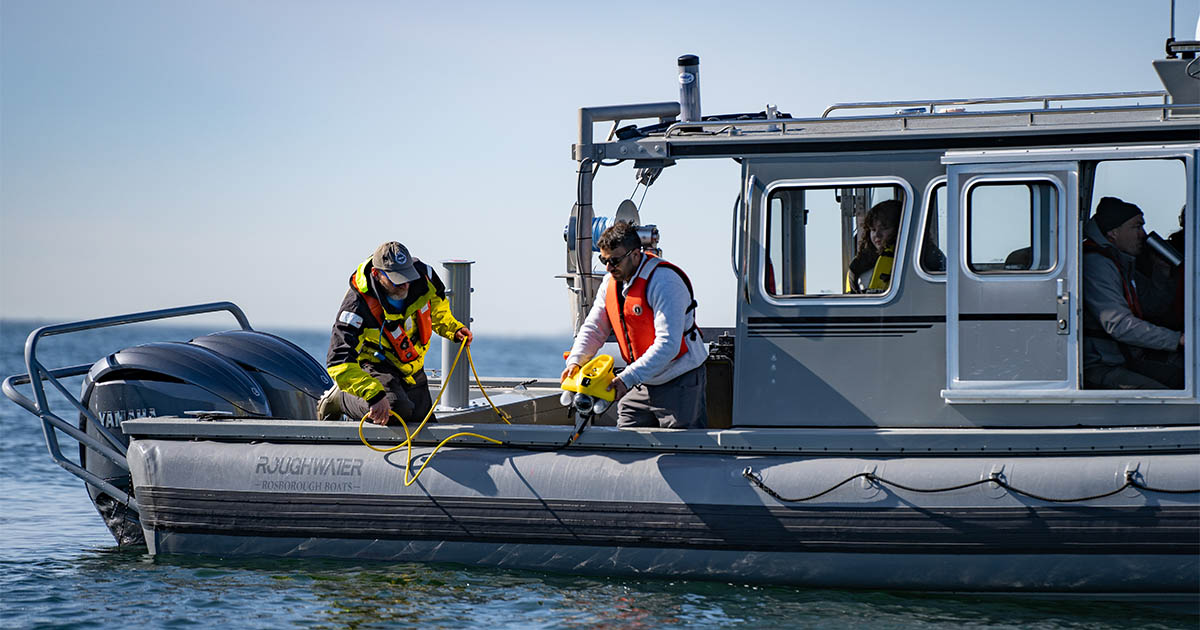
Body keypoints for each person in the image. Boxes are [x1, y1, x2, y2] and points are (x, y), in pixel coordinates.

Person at [561, 221, 708, 429]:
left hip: (678, 378)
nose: (609, 267)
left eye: (615, 260)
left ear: (636, 254)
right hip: (640, 381)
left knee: (683, 449)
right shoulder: (609, 283)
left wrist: (627, 378)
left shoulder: (665, 282)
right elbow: (594, 328)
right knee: (627, 432)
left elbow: (668, 344)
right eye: (604, 260)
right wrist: (575, 362)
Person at [318, 241, 471, 425]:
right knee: (394, 411)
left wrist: (453, 329)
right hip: (375, 366)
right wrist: (373, 395)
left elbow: (438, 310)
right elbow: (338, 361)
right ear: (376, 274)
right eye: (397, 279)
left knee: (426, 426)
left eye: (407, 277)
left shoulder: (425, 278)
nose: (405, 284)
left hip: (411, 365)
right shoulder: (356, 306)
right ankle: (342, 398)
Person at [1082, 197, 1184, 390]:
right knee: (1166, 398)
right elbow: (1119, 324)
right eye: (1137, 227)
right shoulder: (1098, 265)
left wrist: (1161, 272)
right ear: (1113, 232)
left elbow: (1154, 306)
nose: (1143, 235)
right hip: (1102, 365)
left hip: (1123, 357)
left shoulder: (1120, 262)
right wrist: (1176, 339)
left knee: (1184, 377)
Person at [848, 199, 901, 293]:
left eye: (884, 228)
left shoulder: (922, 261)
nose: (877, 235)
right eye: (873, 229)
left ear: (900, 228)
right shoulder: (857, 267)